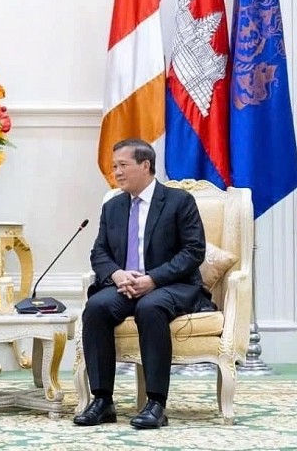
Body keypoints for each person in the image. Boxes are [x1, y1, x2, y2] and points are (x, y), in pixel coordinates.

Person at [74, 138, 215, 429]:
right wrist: (116, 275)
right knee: (96, 308)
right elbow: (99, 252)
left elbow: (193, 251)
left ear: (145, 165)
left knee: (150, 308)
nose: (117, 172)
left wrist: (153, 279)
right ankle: (102, 401)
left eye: (123, 165)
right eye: (114, 167)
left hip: (171, 284)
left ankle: (155, 404)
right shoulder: (113, 206)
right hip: (125, 285)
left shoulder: (178, 201)